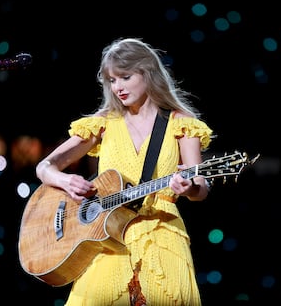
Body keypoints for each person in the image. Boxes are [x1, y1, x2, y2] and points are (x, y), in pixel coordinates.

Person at [35, 37, 214, 306]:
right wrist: (66, 180)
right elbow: (44, 167)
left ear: (148, 73)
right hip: (106, 238)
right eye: (111, 80)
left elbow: (200, 187)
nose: (117, 87)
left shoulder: (182, 124)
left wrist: (191, 188)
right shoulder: (103, 124)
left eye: (125, 77)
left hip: (161, 233)